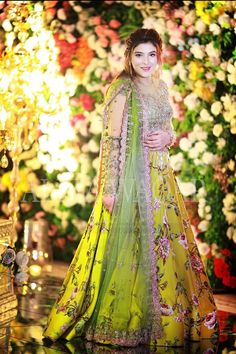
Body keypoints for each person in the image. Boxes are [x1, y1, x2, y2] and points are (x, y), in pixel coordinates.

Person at [43, 28, 219, 349]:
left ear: (159, 55)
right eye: (139, 55)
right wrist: (109, 189)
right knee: (130, 246)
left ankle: (166, 318)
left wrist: (169, 138)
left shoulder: (161, 88)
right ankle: (126, 319)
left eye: (152, 54)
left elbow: (167, 127)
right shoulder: (122, 90)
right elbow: (111, 142)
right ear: (129, 57)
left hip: (161, 181)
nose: (145, 61)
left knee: (161, 246)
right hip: (129, 181)